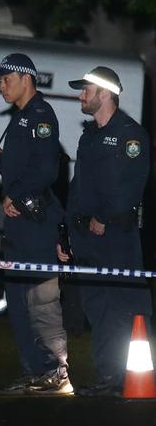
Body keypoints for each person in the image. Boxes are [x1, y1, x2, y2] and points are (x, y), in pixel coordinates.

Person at [61, 66, 151, 396]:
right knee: (96, 307)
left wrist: (104, 216)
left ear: (106, 93)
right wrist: (67, 233)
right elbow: (78, 186)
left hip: (116, 238)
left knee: (120, 308)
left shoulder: (131, 135)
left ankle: (119, 377)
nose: (81, 96)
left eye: (86, 90)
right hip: (86, 238)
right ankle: (107, 376)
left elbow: (131, 188)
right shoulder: (89, 137)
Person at [0, 53, 70, 395]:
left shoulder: (40, 116)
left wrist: (15, 197)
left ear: (25, 79)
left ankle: (55, 370)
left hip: (36, 223)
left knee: (41, 299)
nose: (1, 86)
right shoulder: (19, 118)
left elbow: (47, 171)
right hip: (19, 226)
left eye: (6, 79)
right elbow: (23, 172)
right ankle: (33, 369)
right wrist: (0, 162)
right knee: (17, 299)